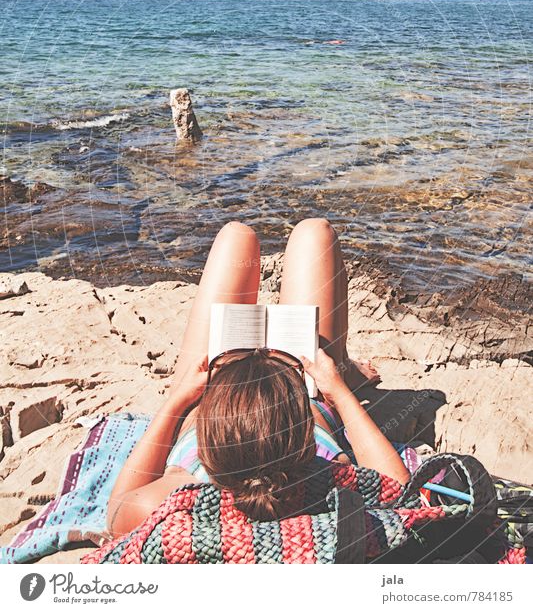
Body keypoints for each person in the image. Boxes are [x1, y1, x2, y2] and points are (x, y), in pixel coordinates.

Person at [108, 219, 409, 536]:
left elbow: (116, 513)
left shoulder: (181, 489)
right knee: (314, 232)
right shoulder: (327, 480)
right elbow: (400, 490)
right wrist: (338, 392)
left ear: (209, 438)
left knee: (236, 236)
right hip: (294, 393)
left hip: (245, 392)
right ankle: (344, 369)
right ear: (303, 439)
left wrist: (179, 399)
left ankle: (263, 375)